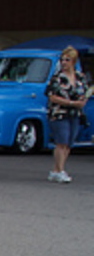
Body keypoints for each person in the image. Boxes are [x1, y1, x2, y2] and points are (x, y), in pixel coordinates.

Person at [44, 45, 88, 184]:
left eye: (67, 60)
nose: (64, 62)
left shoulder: (80, 77)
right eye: (62, 60)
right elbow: (52, 97)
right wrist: (71, 103)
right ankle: (60, 170)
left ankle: (56, 170)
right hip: (59, 113)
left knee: (69, 143)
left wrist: (82, 101)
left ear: (74, 61)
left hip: (75, 114)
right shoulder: (57, 78)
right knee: (61, 142)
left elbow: (86, 92)